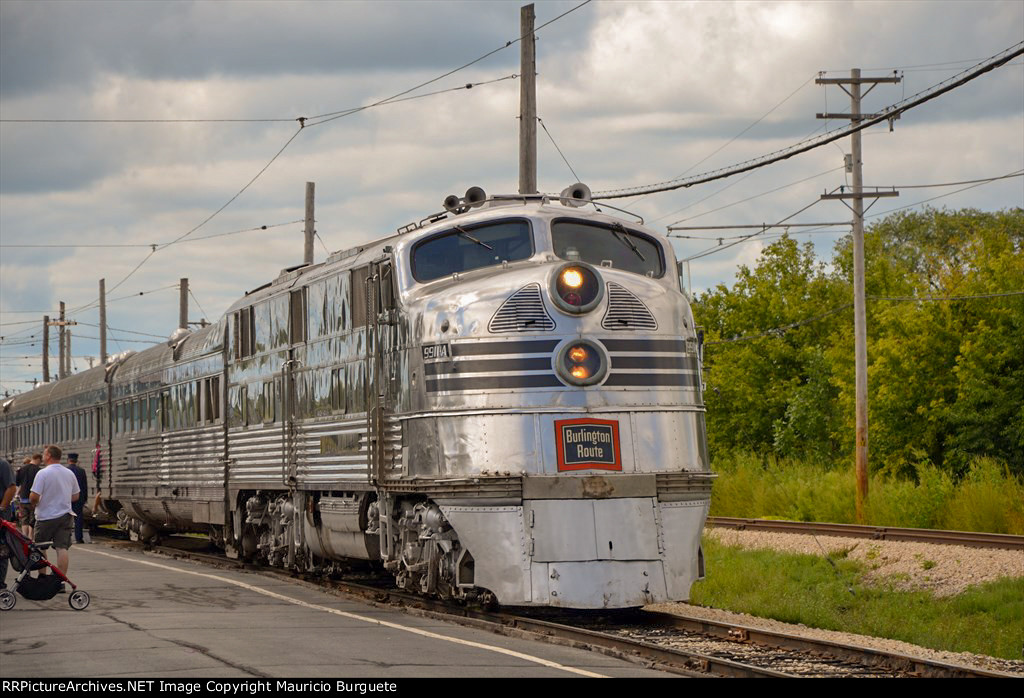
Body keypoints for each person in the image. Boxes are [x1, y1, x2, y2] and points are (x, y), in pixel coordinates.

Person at [29, 445, 80, 581]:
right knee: (62, 548)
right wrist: (61, 497)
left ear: (49, 456)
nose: (44, 456)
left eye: (45, 454)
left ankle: (42, 576)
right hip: (65, 515)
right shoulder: (69, 473)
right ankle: (60, 581)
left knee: (40, 547)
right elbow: (75, 496)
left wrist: (34, 502)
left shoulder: (43, 473)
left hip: (46, 516)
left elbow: (34, 497)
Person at [15, 453, 41, 538]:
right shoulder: (39, 470)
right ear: (37, 459)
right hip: (34, 498)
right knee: (32, 519)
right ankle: (31, 538)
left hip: (23, 499)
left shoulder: (21, 469)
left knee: (24, 519)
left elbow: (17, 483)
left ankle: (24, 537)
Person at [0, 457, 16, 590]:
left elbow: (11, 488)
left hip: (1, 512)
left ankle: (0, 583)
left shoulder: (3, 464)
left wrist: (2, 508)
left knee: (1, 547)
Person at [65, 453, 89, 544]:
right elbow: (84, 486)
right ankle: (79, 538)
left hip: (67, 498)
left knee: (66, 518)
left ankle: (67, 537)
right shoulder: (81, 471)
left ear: (68, 460)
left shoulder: (66, 471)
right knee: (78, 518)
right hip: (79, 498)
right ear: (76, 460)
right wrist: (85, 499)